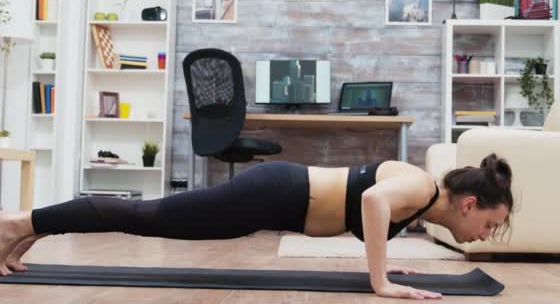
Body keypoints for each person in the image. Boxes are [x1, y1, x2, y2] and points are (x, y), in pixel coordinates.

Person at [0, 153, 513, 300]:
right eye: (492, 224)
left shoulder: (421, 200)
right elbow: (373, 200)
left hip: (276, 197)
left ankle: (33, 227)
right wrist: (378, 282)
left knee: (149, 218)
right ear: (470, 203)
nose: (486, 235)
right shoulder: (422, 188)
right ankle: (20, 220)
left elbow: (371, 211)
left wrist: (385, 262)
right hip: (272, 195)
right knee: (148, 218)